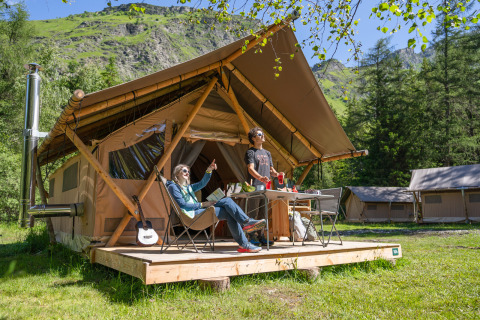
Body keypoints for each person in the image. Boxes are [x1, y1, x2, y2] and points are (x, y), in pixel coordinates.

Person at [167, 160, 266, 253]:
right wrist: (203, 204)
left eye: (188, 171)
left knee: (228, 207)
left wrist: (209, 170)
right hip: (192, 217)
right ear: (177, 173)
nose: (187, 173)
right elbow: (183, 205)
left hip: (199, 211)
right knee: (227, 202)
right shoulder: (173, 187)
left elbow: (202, 183)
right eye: (184, 170)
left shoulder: (188, 187)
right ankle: (246, 225)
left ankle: (245, 240)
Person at [244, 127, 284, 246]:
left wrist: (277, 174)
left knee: (264, 214)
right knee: (253, 214)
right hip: (255, 187)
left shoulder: (267, 153)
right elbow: (250, 169)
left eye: (262, 133)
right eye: (259, 134)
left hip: (266, 188)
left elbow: (271, 170)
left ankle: (261, 236)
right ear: (253, 138)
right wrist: (260, 177)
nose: (262, 136)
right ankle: (251, 237)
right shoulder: (250, 152)